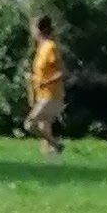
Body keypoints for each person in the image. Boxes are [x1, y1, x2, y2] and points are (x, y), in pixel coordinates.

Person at [25, 15, 65, 159]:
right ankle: (50, 161)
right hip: (42, 95)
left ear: (39, 29)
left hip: (51, 96)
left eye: (33, 28)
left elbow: (61, 72)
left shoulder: (50, 47)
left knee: (29, 124)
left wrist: (45, 82)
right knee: (44, 129)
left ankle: (57, 145)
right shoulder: (41, 48)